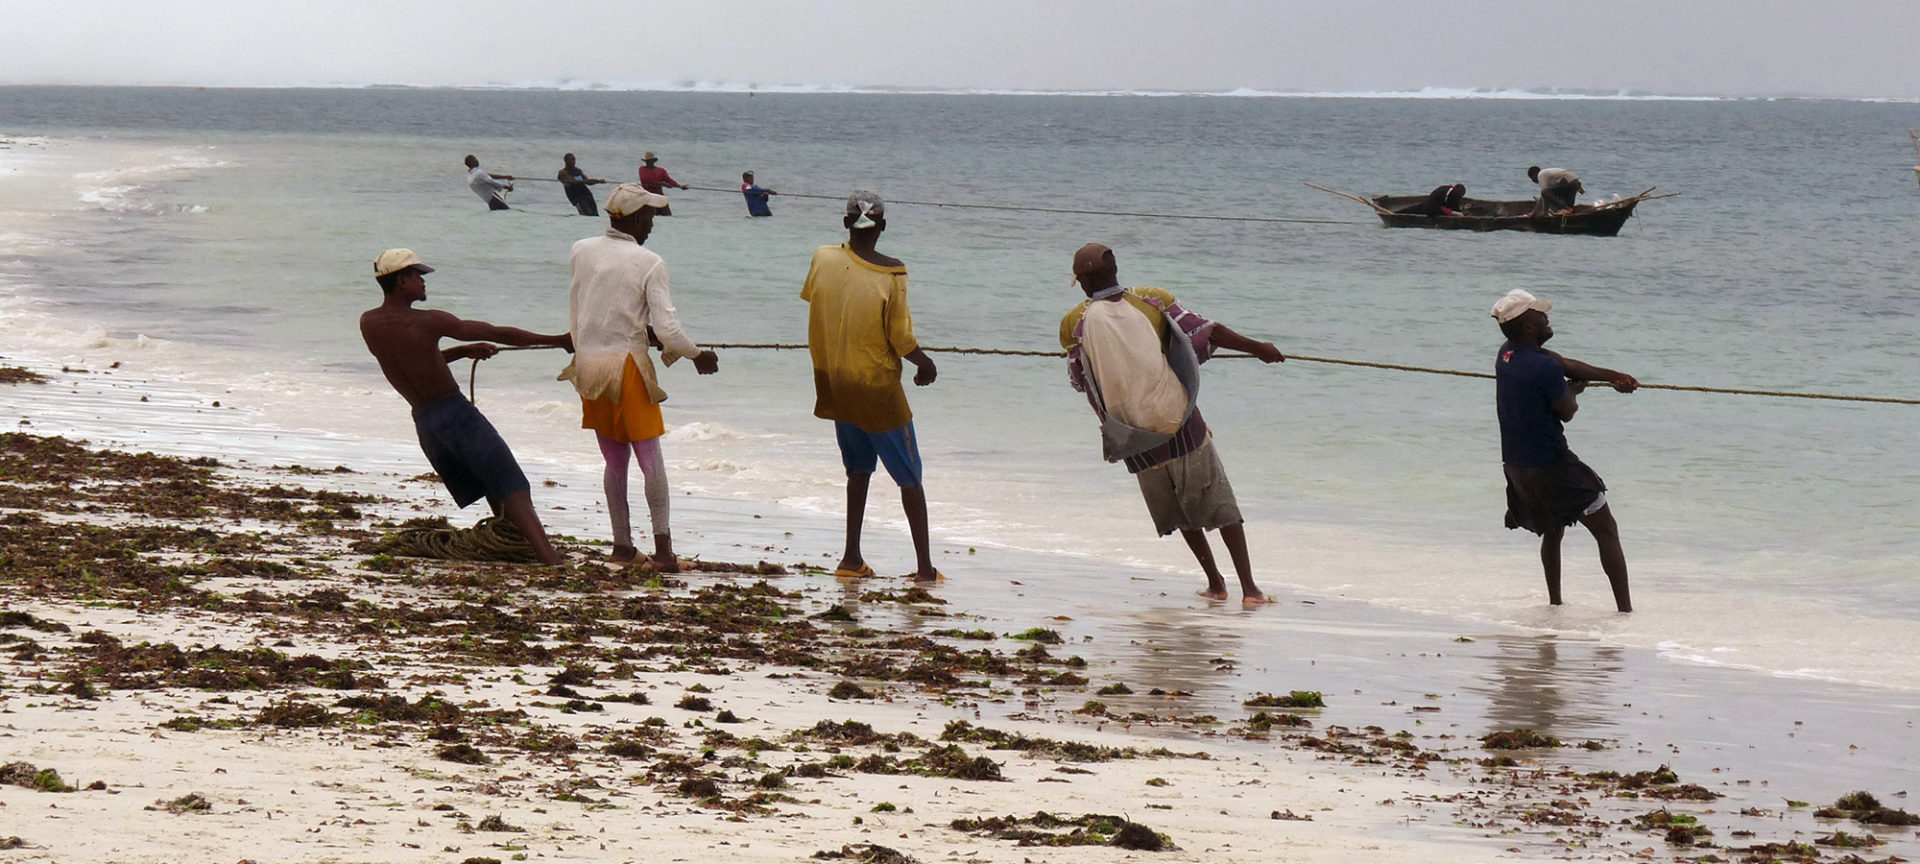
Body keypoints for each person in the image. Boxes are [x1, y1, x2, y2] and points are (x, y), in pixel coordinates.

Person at [1059, 243, 1285, 605]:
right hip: (1180, 422)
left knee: (1180, 513)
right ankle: (1250, 589)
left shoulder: (1073, 323)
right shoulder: (1152, 299)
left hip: (1132, 435)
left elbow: (1078, 378)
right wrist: (1259, 349)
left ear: (1084, 280)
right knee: (1221, 505)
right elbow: (1206, 332)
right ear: (1115, 271)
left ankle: (1215, 583)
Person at [358, 248, 572, 565]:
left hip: (426, 424)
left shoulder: (369, 323)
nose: (423, 281)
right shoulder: (430, 322)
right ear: (402, 281)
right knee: (512, 485)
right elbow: (498, 333)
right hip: (454, 413)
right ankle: (550, 559)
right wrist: (558, 340)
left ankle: (510, 544)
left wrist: (463, 352)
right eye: (418, 276)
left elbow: (414, 363)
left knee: (490, 482)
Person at [560, 184, 720, 570]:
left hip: (589, 368)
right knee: (651, 461)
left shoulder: (581, 250)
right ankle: (664, 552)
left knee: (614, 462)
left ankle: (623, 547)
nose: (652, 224)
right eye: (648, 217)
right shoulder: (650, 262)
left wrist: (648, 337)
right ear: (631, 219)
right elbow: (668, 329)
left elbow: (595, 309)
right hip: (627, 370)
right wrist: (698, 355)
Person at [800, 190, 940, 582]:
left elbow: (816, 297)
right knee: (909, 476)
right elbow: (900, 337)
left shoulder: (823, 257)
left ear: (846, 223)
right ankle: (925, 568)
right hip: (876, 387)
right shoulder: (893, 274)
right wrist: (924, 363)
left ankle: (850, 558)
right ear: (882, 227)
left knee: (858, 470)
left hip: (835, 382)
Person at [1491, 289, 1639, 612]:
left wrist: (1616, 378)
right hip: (1552, 467)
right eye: (1541, 315)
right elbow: (1566, 411)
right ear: (1529, 327)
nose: (1547, 318)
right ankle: (1625, 613)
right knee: (1606, 529)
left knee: (1554, 528)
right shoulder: (1543, 368)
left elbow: (1565, 363)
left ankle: (1555, 605)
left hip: (1517, 467)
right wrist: (1573, 391)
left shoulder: (1507, 355)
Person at [637, 151, 688, 215]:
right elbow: (648, 180)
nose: (648, 162)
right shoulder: (642, 169)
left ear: (653, 161)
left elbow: (669, 180)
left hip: (659, 195)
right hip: (647, 196)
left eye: (649, 161)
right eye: (647, 161)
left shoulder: (661, 170)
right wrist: (663, 184)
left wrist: (680, 186)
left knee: (668, 215)